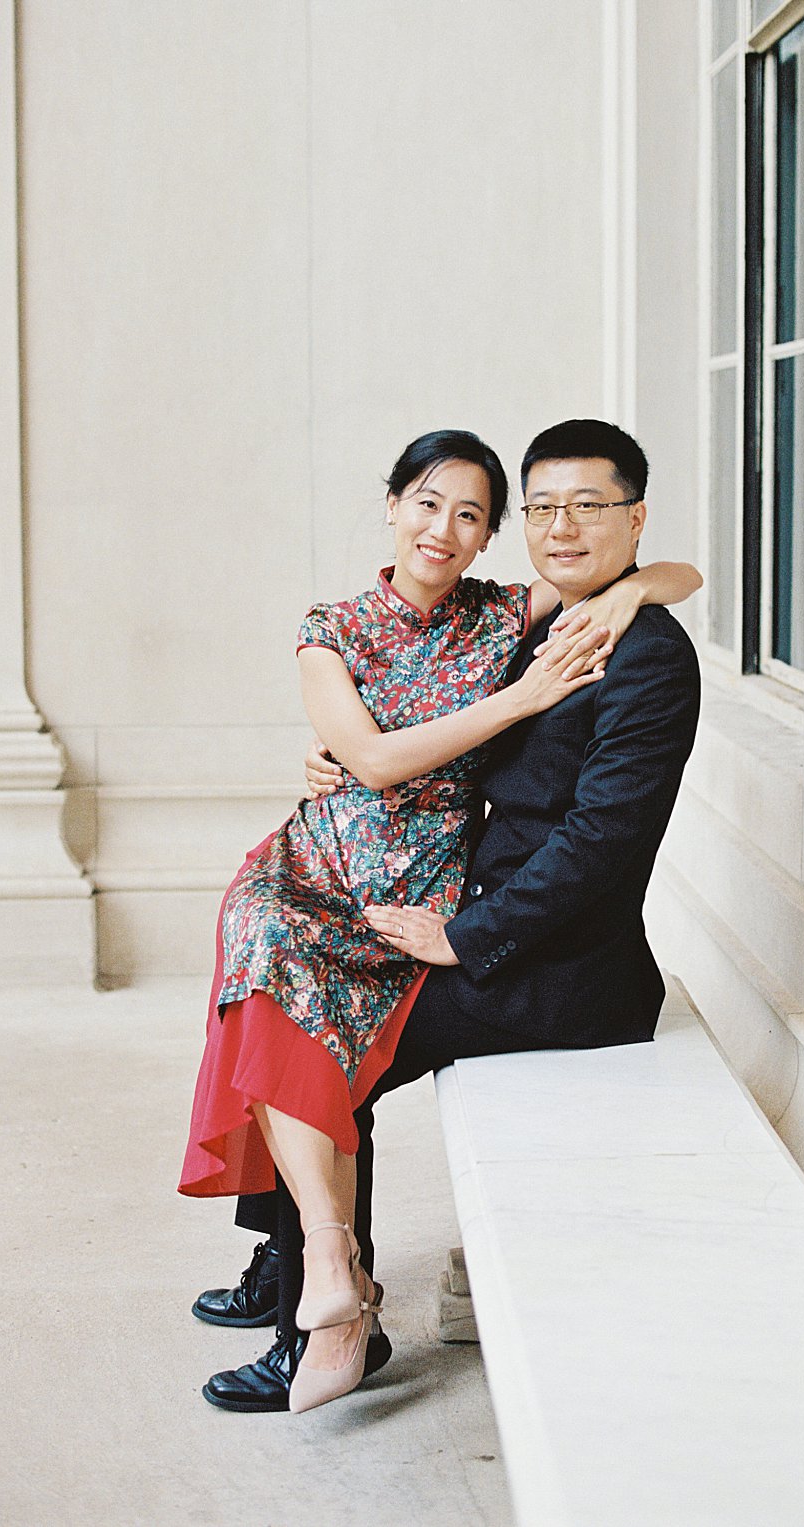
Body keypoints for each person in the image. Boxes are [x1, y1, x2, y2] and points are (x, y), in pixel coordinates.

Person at [178, 424, 701, 1413]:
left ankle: (321, 1320)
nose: (560, 527)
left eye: (586, 507)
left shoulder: (631, 657)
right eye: (543, 508)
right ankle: (303, 1282)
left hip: (551, 973)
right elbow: (392, 752)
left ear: (631, 516)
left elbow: (598, 853)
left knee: (304, 1022)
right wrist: (338, 766)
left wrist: (462, 935)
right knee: (273, 958)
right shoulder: (549, 625)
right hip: (470, 914)